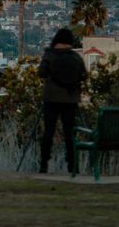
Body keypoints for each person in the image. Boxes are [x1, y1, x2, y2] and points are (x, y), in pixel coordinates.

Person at [38, 27, 87, 174]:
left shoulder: (49, 55)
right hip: (70, 99)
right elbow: (83, 75)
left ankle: (44, 163)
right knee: (69, 133)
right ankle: (72, 164)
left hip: (51, 98)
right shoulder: (76, 57)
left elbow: (41, 73)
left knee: (48, 132)